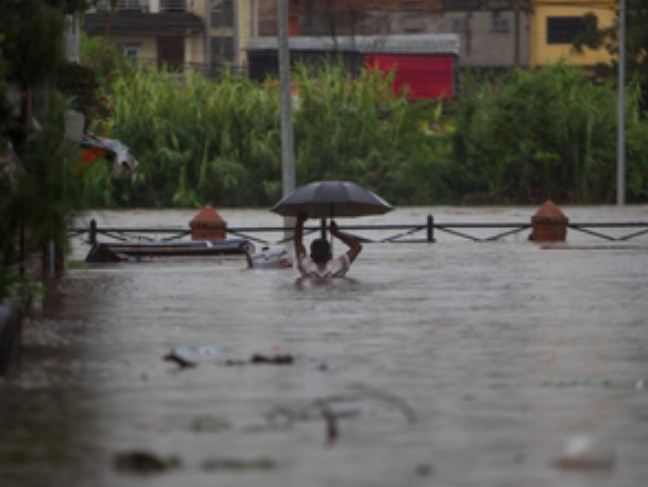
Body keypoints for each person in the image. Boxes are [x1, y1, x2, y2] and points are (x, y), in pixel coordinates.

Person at [294, 212, 362, 279]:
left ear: (311, 255)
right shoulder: (338, 266)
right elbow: (357, 246)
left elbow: (297, 242)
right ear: (329, 254)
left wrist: (300, 222)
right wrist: (336, 233)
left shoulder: (306, 266)